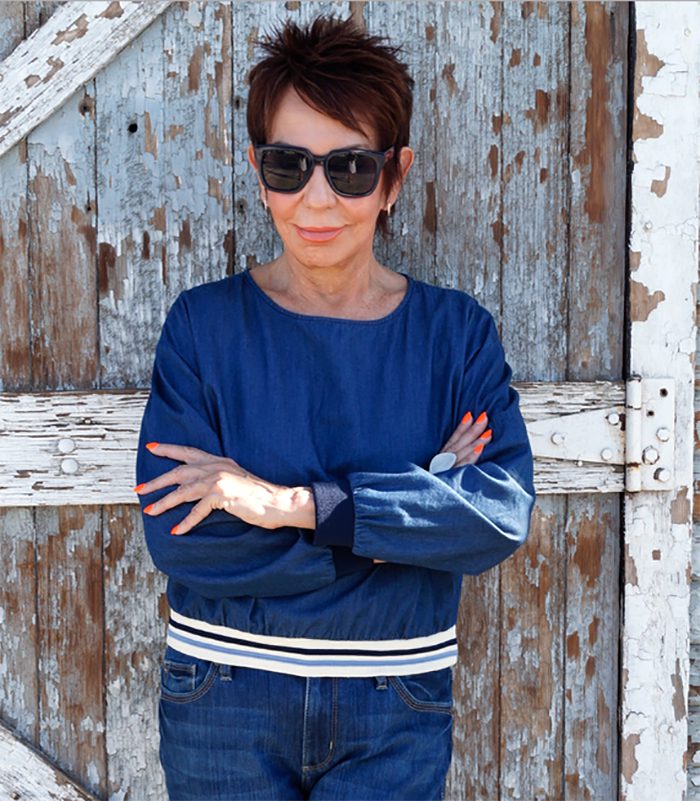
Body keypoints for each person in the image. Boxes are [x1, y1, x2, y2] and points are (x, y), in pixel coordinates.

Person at [134, 13, 535, 801]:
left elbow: (495, 517)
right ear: (258, 169)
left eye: (349, 168)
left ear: (396, 175)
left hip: (398, 699)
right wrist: (404, 519)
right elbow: (184, 541)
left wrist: (287, 504)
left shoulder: (453, 336)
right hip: (224, 690)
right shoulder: (202, 328)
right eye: (290, 165)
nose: (316, 198)